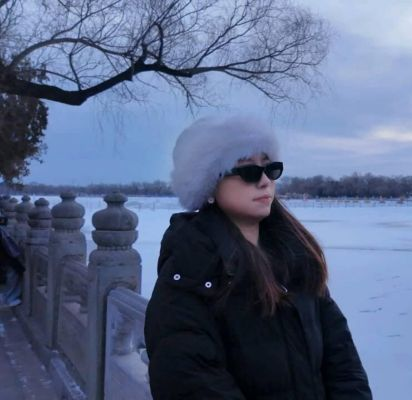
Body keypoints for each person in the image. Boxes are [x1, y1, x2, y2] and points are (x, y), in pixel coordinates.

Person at [144, 116, 372, 400]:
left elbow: (343, 363)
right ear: (209, 184)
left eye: (270, 168)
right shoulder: (193, 272)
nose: (265, 181)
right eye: (248, 171)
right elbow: (189, 382)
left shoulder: (297, 259)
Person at [0, 223, 25, 307]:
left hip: (4, 260)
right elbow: (11, 249)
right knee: (12, 276)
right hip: (5, 261)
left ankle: (7, 298)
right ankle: (10, 299)